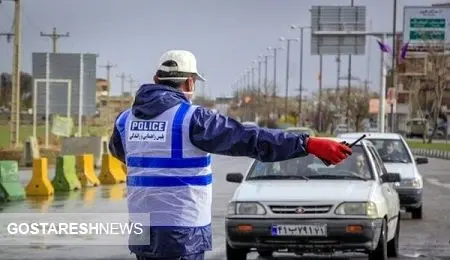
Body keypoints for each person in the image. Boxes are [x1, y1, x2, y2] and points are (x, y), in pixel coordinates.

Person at [108, 49, 353, 260]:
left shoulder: (125, 120)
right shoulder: (193, 119)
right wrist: (307, 144)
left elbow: (123, 153)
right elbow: (250, 139)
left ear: (155, 79)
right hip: (181, 229)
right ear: (190, 83)